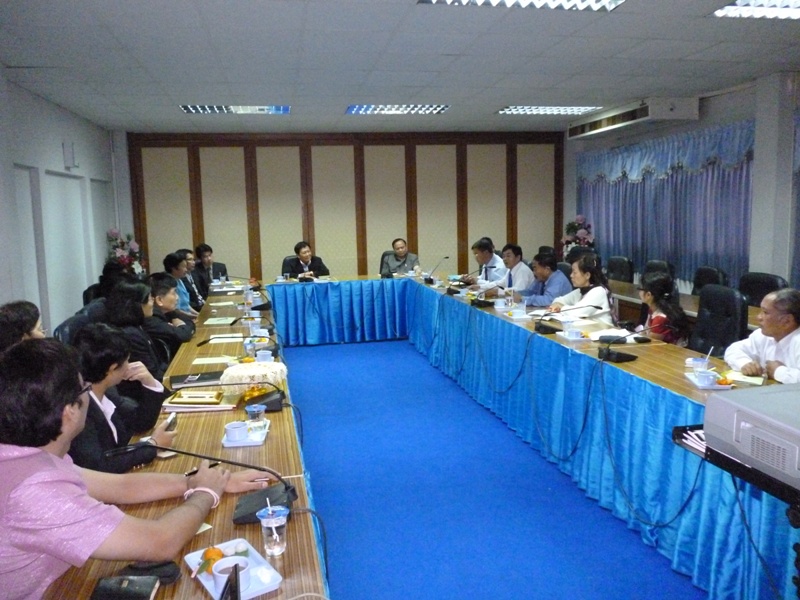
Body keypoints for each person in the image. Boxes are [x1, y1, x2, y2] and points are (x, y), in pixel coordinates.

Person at [0, 338, 275, 599]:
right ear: (69, 410)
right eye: (84, 389)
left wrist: (199, 481)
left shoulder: (24, 455)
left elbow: (119, 487)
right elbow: (160, 543)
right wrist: (206, 494)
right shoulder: (33, 490)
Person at [69, 324, 173, 473]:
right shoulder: (80, 408)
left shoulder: (107, 392)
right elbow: (99, 466)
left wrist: (149, 382)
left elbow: (140, 423)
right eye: (127, 360)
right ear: (112, 369)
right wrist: (152, 445)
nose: (129, 365)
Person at [724, 288, 800, 383]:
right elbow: (733, 349)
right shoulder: (763, 335)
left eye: (765, 312)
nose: (758, 317)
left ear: (787, 321)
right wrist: (745, 363)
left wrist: (778, 372)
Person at [104, 281, 168, 381]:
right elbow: (152, 373)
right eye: (149, 299)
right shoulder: (131, 335)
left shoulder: (137, 325)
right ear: (136, 305)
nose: (153, 303)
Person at [547, 253, 613, 325]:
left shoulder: (598, 291)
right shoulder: (580, 291)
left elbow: (578, 312)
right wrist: (556, 304)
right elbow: (558, 300)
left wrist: (561, 307)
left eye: (574, 272)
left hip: (602, 330)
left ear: (587, 275)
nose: (571, 275)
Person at [144, 272, 196, 358]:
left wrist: (181, 327)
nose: (177, 297)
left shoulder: (169, 313)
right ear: (159, 300)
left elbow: (190, 323)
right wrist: (181, 325)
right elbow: (183, 335)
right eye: (174, 293)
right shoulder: (151, 320)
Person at [635, 272, 690, 345]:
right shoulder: (654, 308)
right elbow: (645, 333)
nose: (639, 292)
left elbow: (651, 344)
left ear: (648, 295)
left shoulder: (660, 318)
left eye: (640, 289)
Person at [163, 252, 198, 320]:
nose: (186, 269)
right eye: (183, 267)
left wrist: (198, 314)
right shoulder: (168, 284)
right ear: (174, 268)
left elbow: (186, 305)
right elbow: (176, 310)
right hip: (179, 319)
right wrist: (193, 317)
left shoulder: (180, 280)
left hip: (189, 317)